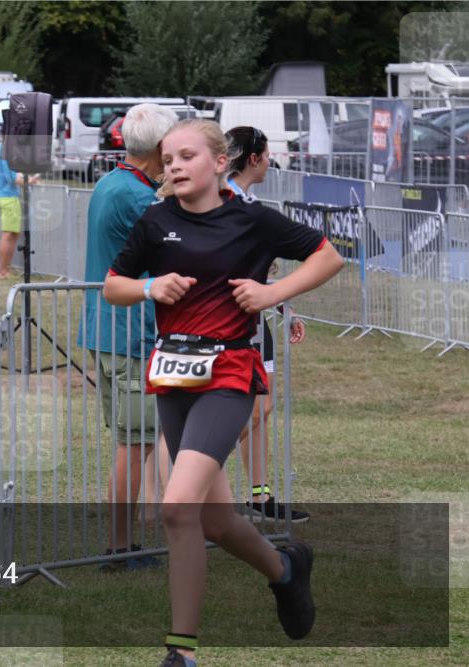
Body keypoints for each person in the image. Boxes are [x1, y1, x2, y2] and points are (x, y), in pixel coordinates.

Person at [104, 119, 343, 667]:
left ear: (218, 162)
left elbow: (329, 256)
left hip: (229, 376)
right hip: (172, 379)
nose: (175, 167)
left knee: (176, 506)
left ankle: (181, 652)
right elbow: (114, 285)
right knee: (211, 520)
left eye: (187, 156)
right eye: (167, 160)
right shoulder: (155, 221)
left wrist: (271, 292)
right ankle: (285, 571)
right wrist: (148, 286)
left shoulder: (251, 219)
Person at [79, 104, 178, 571]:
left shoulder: (111, 183)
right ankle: (120, 548)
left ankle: (124, 543)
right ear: (160, 149)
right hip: (129, 333)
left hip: (109, 329)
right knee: (135, 443)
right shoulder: (137, 197)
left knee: (132, 440)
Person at [225, 126, 310, 524]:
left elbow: (260, 275)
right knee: (258, 405)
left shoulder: (251, 202)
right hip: (230, 326)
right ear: (254, 158)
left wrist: (284, 308)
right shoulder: (224, 201)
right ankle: (192, 464)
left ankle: (260, 495)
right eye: (267, 153)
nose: (270, 161)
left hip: (257, 320)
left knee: (262, 409)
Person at [0, 140, 27, 279]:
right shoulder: (7, 149)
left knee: (13, 234)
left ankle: (2, 268)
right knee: (9, 234)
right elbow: (12, 177)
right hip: (9, 197)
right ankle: (2, 271)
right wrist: (29, 180)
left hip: (2, 195)